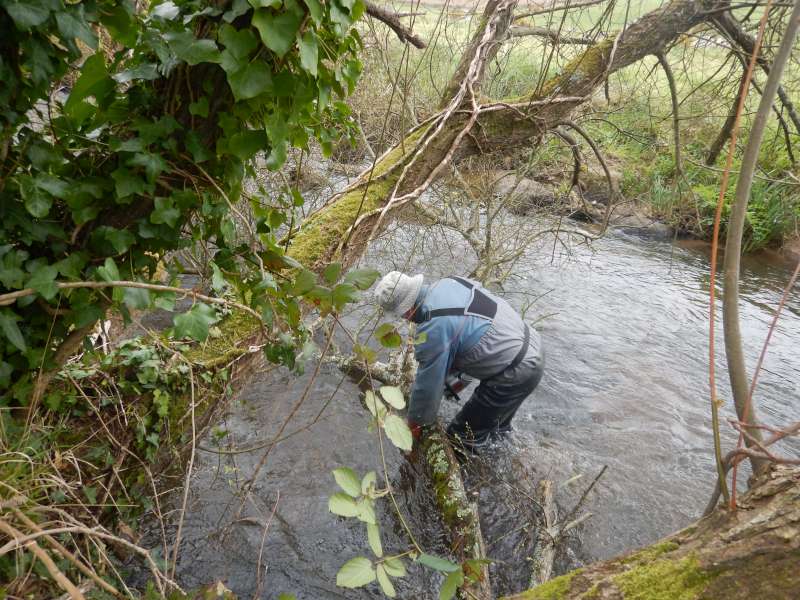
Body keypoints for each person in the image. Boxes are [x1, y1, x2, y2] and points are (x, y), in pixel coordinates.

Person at [374, 271, 544, 450]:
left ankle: (466, 464)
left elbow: (427, 386)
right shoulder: (450, 282)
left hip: (516, 371)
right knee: (496, 427)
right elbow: (471, 329)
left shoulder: (433, 326)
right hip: (531, 345)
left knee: (459, 439)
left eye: (401, 315)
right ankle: (506, 456)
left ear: (407, 310)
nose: (404, 319)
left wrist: (414, 425)